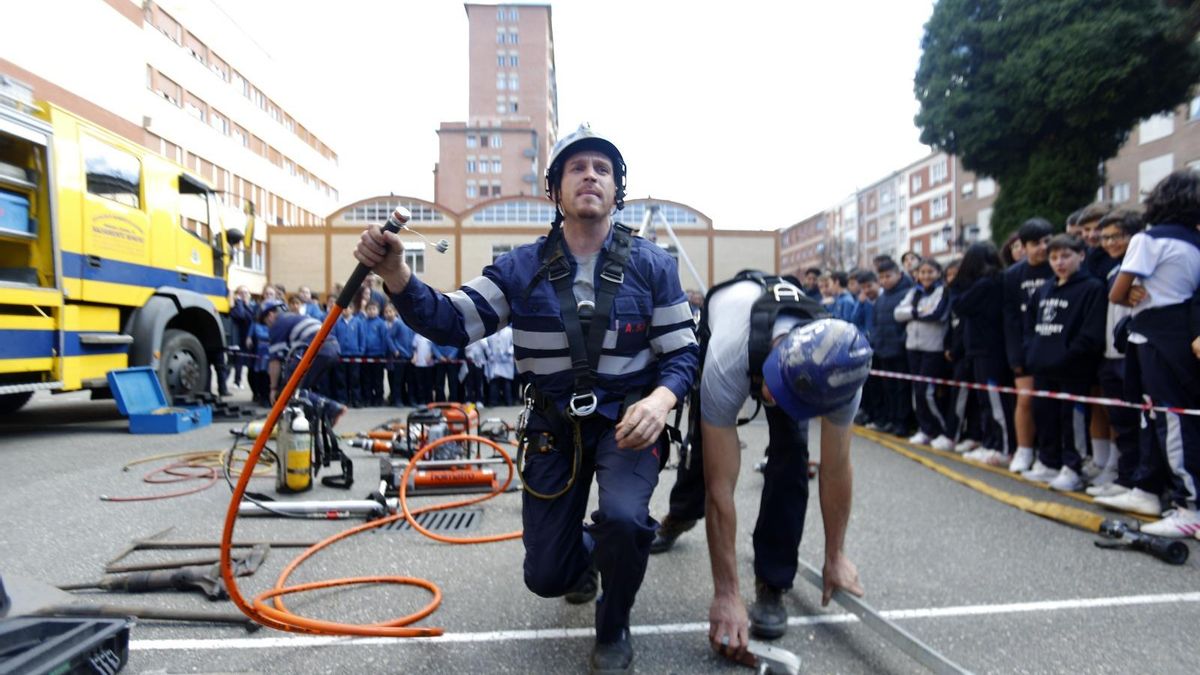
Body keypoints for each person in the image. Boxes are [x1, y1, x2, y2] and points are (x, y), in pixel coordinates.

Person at [354, 124, 699, 673]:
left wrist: (659, 401)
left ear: (617, 190)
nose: (590, 175)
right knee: (546, 577)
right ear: (555, 191)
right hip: (553, 427)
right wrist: (396, 272)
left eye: (602, 169)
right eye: (577, 168)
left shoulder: (654, 266)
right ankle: (590, 561)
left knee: (627, 520)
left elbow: (684, 355)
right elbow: (449, 322)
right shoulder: (519, 268)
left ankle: (614, 624)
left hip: (627, 421)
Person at [705, 313, 869, 659]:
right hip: (735, 348)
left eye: (788, 397)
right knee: (701, 465)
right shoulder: (727, 354)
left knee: (793, 455)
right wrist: (726, 593)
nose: (769, 397)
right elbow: (720, 487)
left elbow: (836, 469)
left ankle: (772, 581)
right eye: (776, 386)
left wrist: (835, 554)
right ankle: (678, 513)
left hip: (791, 366)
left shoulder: (842, 381)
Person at [1103, 170, 1200, 537]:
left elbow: (1117, 293)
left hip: (1154, 336)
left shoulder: (1149, 240)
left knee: (1170, 419)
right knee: (1166, 416)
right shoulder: (1195, 241)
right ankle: (1154, 490)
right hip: (1182, 334)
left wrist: (1127, 289)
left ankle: (1189, 507)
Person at [1020, 235, 1106, 491]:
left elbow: (1091, 332)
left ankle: (1074, 467)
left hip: (1073, 369)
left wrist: (1068, 355)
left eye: (1066, 256)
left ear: (1081, 256)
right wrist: (1032, 352)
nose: (1059, 262)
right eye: (1054, 257)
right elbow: (1031, 326)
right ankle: (1049, 461)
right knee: (1044, 415)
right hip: (1043, 367)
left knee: (1073, 419)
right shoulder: (1044, 289)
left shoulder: (1092, 288)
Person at [1087, 209, 1145, 498]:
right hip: (1109, 354)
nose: (1110, 243)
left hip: (1133, 354)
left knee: (1137, 422)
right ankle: (1125, 477)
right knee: (1120, 421)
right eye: (1105, 237)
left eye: (1116, 236)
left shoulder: (1144, 263)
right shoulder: (1110, 267)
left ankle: (1137, 481)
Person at [951, 242, 1015, 466]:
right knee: (985, 401)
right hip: (978, 348)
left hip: (990, 349)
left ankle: (1005, 448)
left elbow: (959, 304)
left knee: (996, 401)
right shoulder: (987, 283)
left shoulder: (990, 283)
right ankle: (990, 443)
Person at [1002, 218, 1055, 473]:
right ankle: (1023, 450)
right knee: (1025, 400)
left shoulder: (1057, 268)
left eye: (1047, 241)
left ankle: (1049, 456)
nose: (1043, 248)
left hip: (1053, 345)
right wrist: (1015, 356)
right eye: (1036, 243)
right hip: (1024, 346)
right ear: (1023, 246)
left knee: (1052, 405)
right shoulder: (1013, 275)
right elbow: (1009, 318)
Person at [894, 258, 954, 451]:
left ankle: (939, 429)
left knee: (927, 391)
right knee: (917, 390)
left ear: (938, 273)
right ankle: (924, 428)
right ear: (917, 275)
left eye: (930, 272)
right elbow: (897, 313)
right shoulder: (913, 292)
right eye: (922, 272)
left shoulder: (942, 291)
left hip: (933, 347)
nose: (926, 276)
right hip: (913, 346)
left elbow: (936, 313)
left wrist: (912, 313)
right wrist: (917, 310)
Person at [258, 299, 345, 424]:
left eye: (265, 322)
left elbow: (275, 361)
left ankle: (332, 408)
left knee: (288, 390)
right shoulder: (294, 317)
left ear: (270, 315)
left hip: (317, 349)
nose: (267, 326)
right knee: (302, 388)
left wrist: (273, 388)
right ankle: (312, 419)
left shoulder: (278, 325)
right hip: (333, 348)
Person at [870, 257, 914, 436]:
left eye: (888, 276)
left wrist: (901, 341)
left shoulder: (907, 293)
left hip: (900, 350)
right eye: (881, 277)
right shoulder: (881, 299)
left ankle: (903, 423)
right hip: (883, 349)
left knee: (902, 388)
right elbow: (875, 323)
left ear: (899, 274)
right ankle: (891, 419)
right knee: (888, 388)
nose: (884, 280)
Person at [384, 303, 414, 407]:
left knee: (410, 381)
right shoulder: (398, 323)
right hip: (400, 356)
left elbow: (414, 339)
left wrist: (414, 352)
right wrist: (395, 350)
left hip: (410, 356)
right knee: (398, 381)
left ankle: (410, 400)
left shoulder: (411, 323)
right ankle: (398, 400)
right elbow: (388, 337)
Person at [229, 285, 255, 389]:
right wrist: (239, 302)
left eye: (246, 292)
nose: (244, 295)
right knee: (238, 361)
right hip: (240, 338)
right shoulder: (236, 307)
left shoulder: (253, 307)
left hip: (252, 338)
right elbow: (240, 315)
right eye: (241, 293)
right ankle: (237, 381)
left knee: (251, 364)